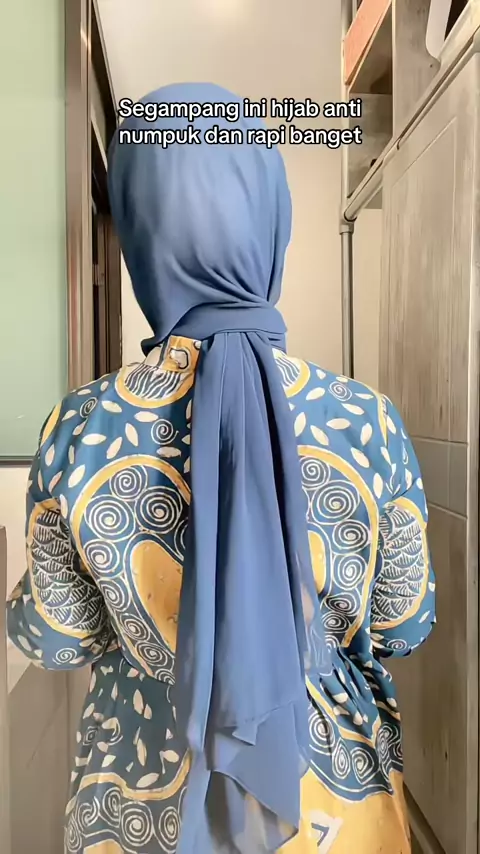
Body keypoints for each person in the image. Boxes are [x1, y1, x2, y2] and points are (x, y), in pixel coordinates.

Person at [7, 82, 435, 854]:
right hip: (336, 803)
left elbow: (55, 639)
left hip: (142, 804)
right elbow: (405, 623)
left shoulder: (79, 426)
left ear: (139, 235)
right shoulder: (365, 421)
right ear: (271, 225)